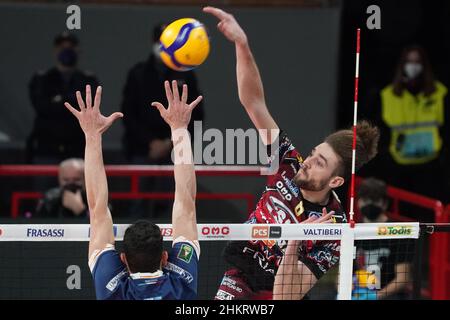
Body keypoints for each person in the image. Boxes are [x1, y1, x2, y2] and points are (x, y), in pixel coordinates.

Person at [203, 7, 380, 300]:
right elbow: (254, 102)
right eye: (313, 153)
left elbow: (286, 296)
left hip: (281, 287)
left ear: (335, 181)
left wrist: (296, 239)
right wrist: (242, 44)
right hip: (242, 272)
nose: (308, 161)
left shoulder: (332, 228)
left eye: (319, 163)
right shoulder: (288, 162)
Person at [64, 81, 203, 300]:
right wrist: (179, 129)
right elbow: (186, 205)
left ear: (123, 259)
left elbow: (97, 210)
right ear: (165, 258)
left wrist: (92, 135)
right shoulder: (181, 284)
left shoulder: (111, 290)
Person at [121, 23, 204, 217]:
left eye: (167, 41)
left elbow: (195, 114)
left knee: (175, 203)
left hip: (174, 151)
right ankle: (137, 247)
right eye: (160, 40)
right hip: (142, 150)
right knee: (138, 204)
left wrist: (169, 142)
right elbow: (128, 113)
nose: (163, 45)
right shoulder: (138, 73)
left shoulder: (186, 74)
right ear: (153, 42)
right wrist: (150, 142)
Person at [364, 45, 449, 205]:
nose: (413, 66)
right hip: (399, 167)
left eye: (417, 61)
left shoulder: (439, 93)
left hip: (431, 166)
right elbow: (379, 131)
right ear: (402, 65)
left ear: (425, 65)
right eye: (409, 61)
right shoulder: (388, 95)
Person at [27, 32, 99, 164]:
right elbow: (42, 107)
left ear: (78, 50)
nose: (67, 50)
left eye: (71, 47)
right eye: (62, 47)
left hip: (77, 148)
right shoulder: (42, 79)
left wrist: (58, 101)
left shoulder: (88, 79)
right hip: (47, 149)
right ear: (55, 50)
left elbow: (88, 107)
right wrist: (71, 100)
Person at [353, 177, 414, 299]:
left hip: (391, 295)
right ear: (358, 202)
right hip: (360, 291)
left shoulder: (399, 232)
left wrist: (375, 296)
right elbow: (342, 275)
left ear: (385, 203)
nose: (369, 204)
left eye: (375, 200)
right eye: (365, 199)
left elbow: (403, 279)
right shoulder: (352, 232)